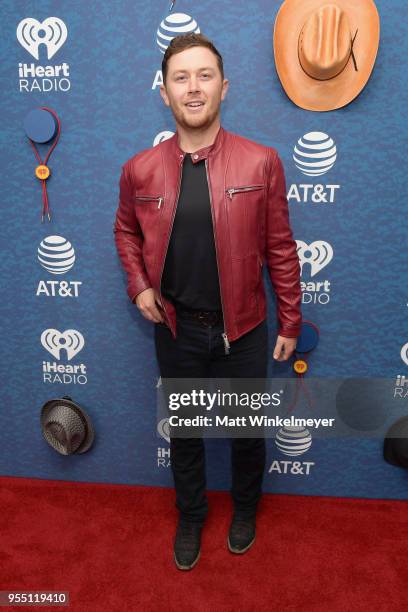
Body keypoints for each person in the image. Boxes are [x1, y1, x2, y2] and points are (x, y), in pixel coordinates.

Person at [113, 32, 302, 571]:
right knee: (186, 434)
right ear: (164, 93)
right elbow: (125, 231)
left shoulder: (262, 162)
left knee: (247, 434)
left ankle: (245, 509)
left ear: (224, 87)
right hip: (176, 327)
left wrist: (290, 317)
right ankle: (191, 514)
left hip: (243, 329)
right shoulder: (139, 169)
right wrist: (140, 286)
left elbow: (280, 247)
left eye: (204, 75)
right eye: (180, 77)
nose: (193, 88)